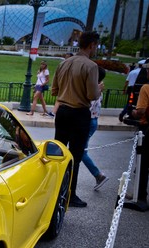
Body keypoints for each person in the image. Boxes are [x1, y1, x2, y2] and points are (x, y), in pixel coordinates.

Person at [51, 30, 101, 207]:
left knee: (59, 153)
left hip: (62, 111)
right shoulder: (91, 66)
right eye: (96, 46)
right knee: (75, 156)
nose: (96, 49)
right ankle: (70, 195)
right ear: (92, 45)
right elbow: (92, 94)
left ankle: (54, 190)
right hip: (79, 113)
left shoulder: (64, 63)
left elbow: (54, 90)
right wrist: (99, 88)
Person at [84, 67, 108, 191]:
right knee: (79, 150)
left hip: (88, 121)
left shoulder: (96, 90)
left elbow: (88, 105)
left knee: (81, 152)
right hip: (92, 121)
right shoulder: (98, 89)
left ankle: (98, 175)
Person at [130, 63, 149, 204]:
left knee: (143, 163)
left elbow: (141, 111)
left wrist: (133, 112)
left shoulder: (146, 87)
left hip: (147, 127)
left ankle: (140, 194)